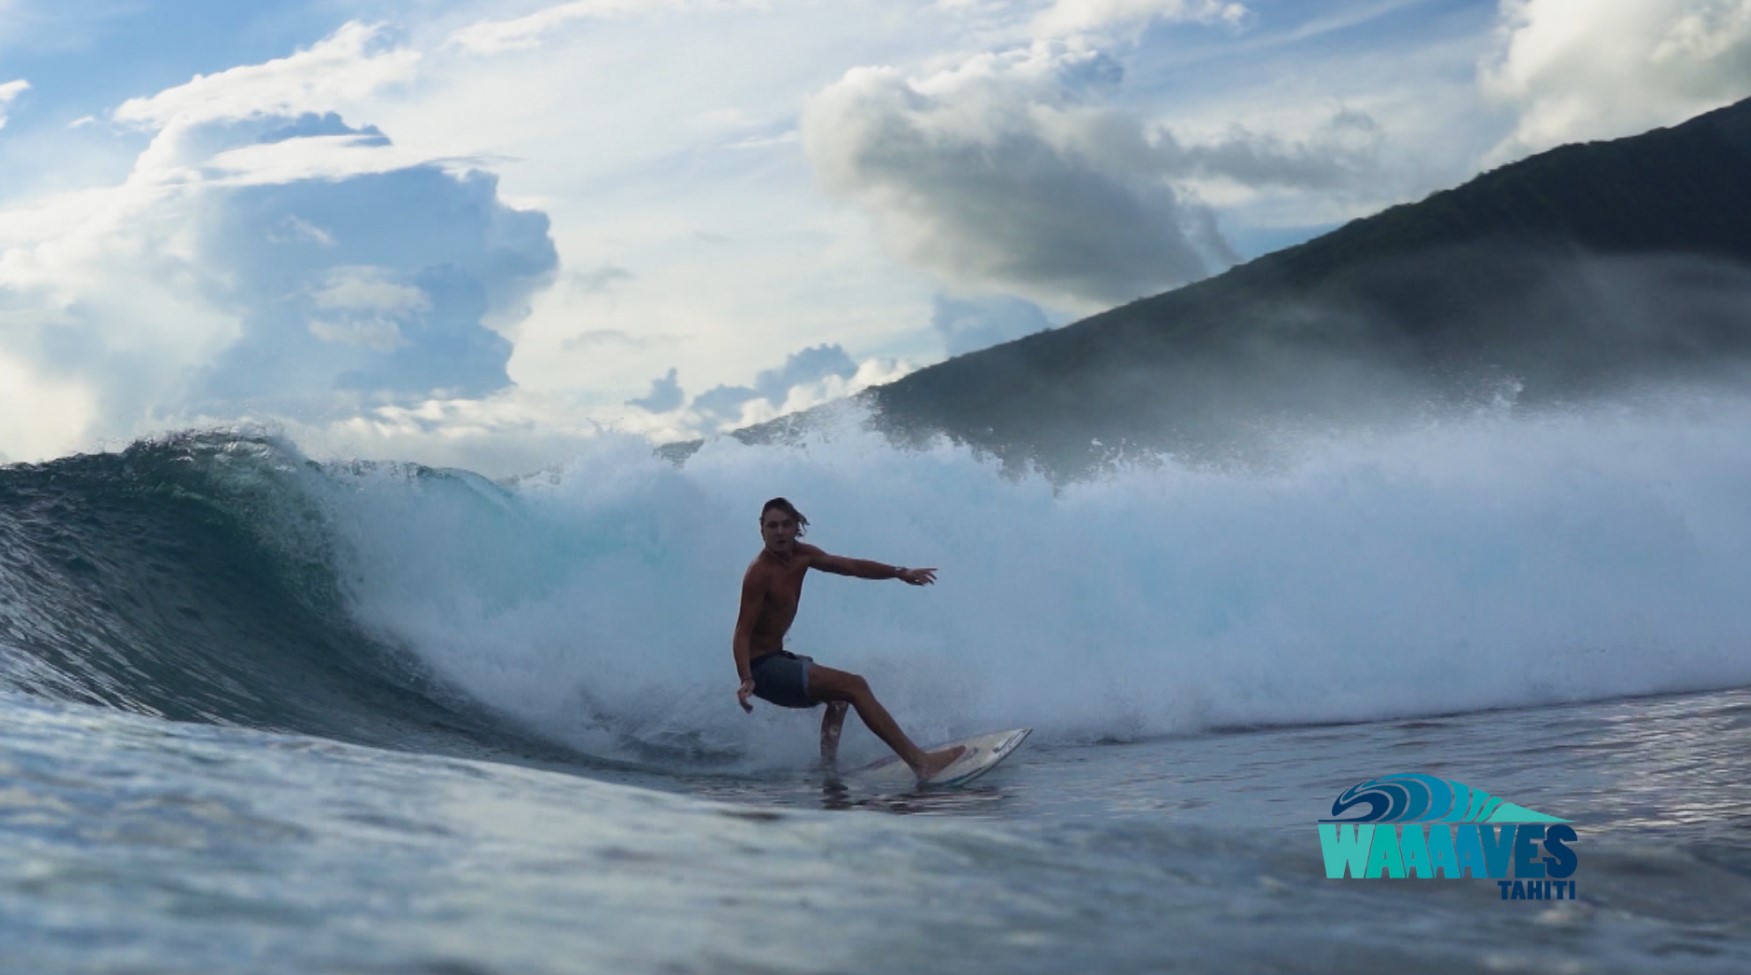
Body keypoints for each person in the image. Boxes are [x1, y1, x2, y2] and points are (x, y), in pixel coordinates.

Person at [733, 497, 964, 781]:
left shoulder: (803, 556)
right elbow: (742, 632)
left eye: (786, 525)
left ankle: (827, 768)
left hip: (778, 659)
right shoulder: (759, 573)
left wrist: (898, 572)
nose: (779, 531)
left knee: (840, 698)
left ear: (796, 527)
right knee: (854, 685)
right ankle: (921, 762)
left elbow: (850, 566)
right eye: (772, 526)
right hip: (762, 669)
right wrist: (746, 679)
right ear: (762, 531)